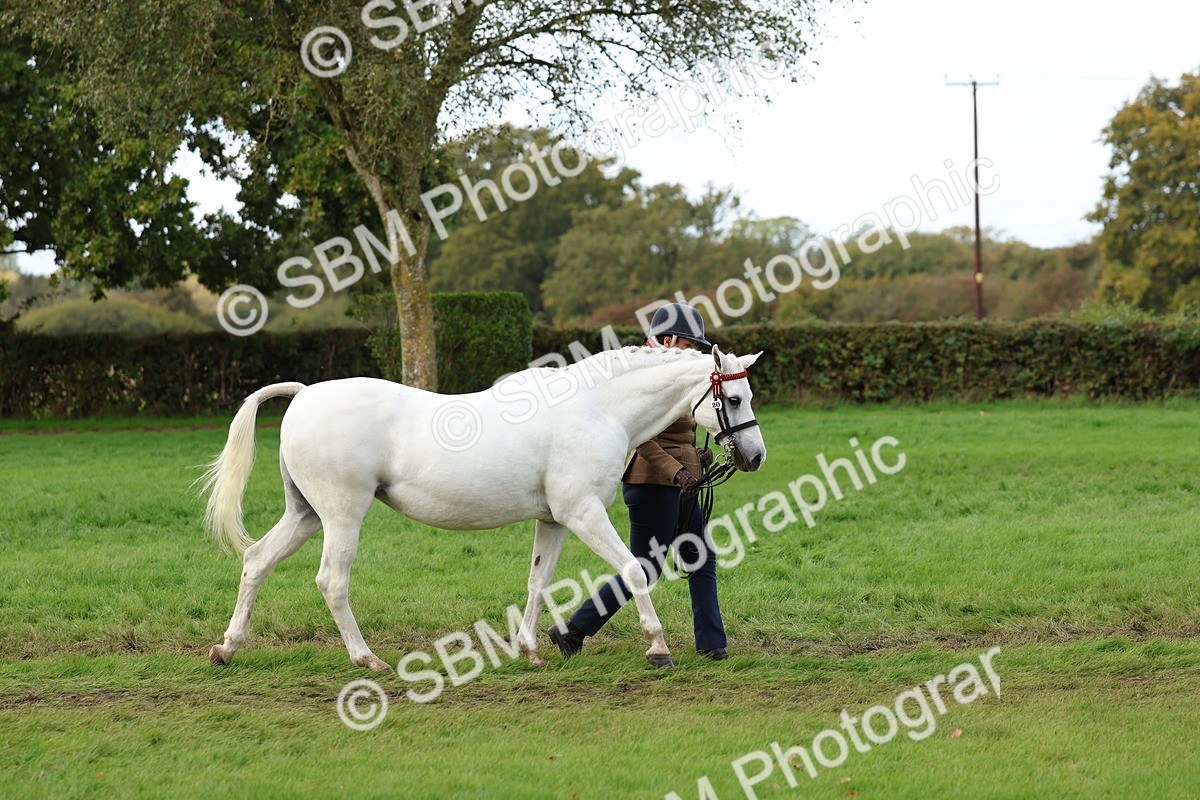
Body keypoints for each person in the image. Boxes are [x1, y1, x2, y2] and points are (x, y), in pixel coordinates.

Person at [548, 303, 729, 662]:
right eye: (689, 345)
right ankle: (573, 629)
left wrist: (698, 458)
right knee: (645, 565)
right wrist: (675, 471)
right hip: (649, 479)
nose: (693, 353)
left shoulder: (674, 374)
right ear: (667, 339)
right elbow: (638, 437)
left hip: (684, 480)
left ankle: (712, 645)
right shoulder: (637, 376)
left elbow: (684, 433)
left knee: (701, 557)